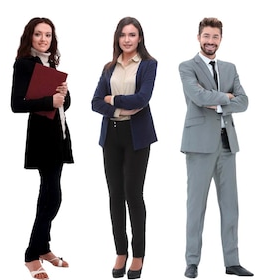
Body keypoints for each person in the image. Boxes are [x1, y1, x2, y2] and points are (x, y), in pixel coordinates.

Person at [179, 17, 253, 278]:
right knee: (196, 206)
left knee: (231, 206)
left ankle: (232, 262)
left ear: (221, 39)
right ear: (198, 37)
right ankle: (192, 262)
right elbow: (197, 97)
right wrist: (227, 97)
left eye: (215, 37)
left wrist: (220, 102)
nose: (211, 41)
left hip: (227, 144)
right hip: (199, 145)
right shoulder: (187, 67)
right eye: (206, 36)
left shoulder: (231, 68)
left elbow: (244, 102)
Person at [91, 16, 158, 280]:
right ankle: (121, 251)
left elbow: (143, 98)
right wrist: (120, 106)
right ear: (117, 38)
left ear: (139, 37)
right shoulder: (109, 67)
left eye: (132, 35)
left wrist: (113, 99)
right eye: (123, 35)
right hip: (112, 136)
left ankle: (138, 254)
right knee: (114, 195)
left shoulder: (149, 65)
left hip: (136, 136)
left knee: (133, 193)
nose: (127, 40)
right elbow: (96, 101)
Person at [10, 17, 74, 280]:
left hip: (59, 135)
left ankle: (44, 248)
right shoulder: (24, 64)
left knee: (50, 194)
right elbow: (16, 104)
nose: (44, 39)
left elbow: (64, 105)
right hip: (42, 137)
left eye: (48, 35)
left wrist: (65, 94)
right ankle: (31, 254)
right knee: (51, 196)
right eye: (38, 34)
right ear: (30, 36)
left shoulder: (51, 63)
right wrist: (51, 99)